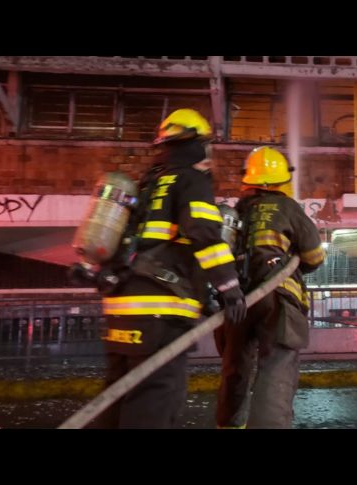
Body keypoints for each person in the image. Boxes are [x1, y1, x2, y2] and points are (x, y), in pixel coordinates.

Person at [93, 109, 246, 428]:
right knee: (155, 399)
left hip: (120, 307)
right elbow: (204, 235)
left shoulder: (145, 186)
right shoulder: (191, 180)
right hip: (159, 311)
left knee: (117, 397)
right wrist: (229, 287)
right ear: (197, 145)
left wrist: (204, 299)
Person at [215, 146, 325, 429]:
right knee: (276, 367)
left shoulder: (237, 210)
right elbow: (314, 257)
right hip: (276, 298)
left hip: (236, 299)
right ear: (281, 180)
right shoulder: (287, 207)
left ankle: (228, 426)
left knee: (234, 369)